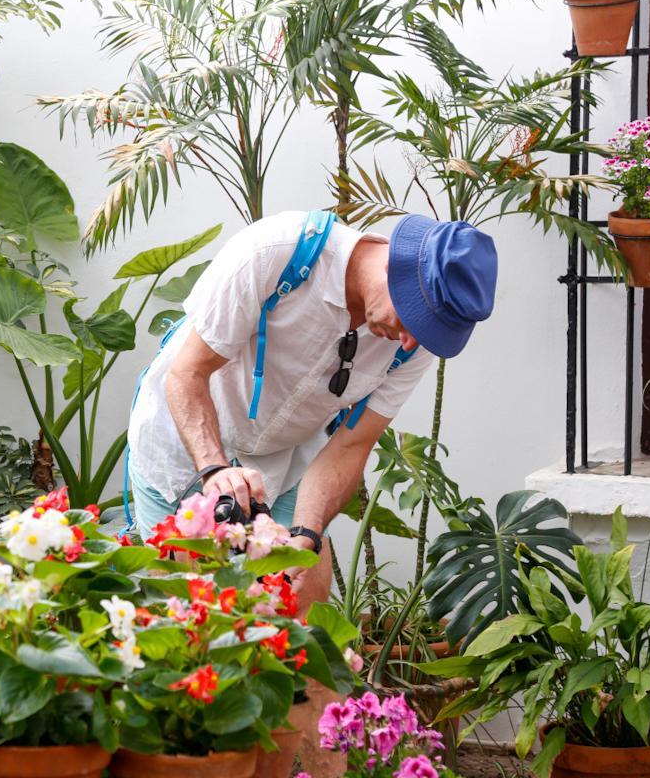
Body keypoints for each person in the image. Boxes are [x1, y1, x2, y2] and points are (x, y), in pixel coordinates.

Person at [126, 209, 498, 608]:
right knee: (188, 615)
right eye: (415, 320)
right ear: (395, 268)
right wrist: (214, 470)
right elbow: (188, 373)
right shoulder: (275, 251)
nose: (411, 342)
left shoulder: (412, 345)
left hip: (284, 466)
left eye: (427, 332)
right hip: (183, 448)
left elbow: (351, 445)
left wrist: (306, 532)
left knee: (299, 602)